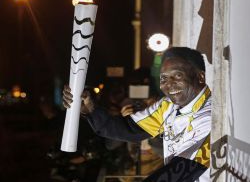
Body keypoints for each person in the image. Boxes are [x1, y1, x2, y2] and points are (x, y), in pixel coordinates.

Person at [63, 47, 211, 181]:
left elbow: (181, 171)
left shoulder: (210, 117)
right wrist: (90, 108)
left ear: (200, 77)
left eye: (177, 76)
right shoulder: (168, 106)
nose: (169, 84)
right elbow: (128, 129)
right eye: (163, 78)